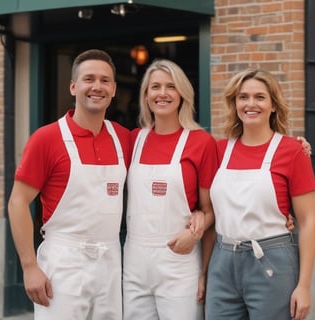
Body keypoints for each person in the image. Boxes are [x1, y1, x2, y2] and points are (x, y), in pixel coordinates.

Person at [8, 49, 130, 320]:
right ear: (73, 86)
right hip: (64, 262)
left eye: (105, 80)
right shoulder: (47, 138)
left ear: (113, 89)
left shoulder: (124, 138)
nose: (97, 86)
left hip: (110, 260)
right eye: (89, 79)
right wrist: (29, 266)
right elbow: (17, 202)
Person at [205, 69, 315, 320]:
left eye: (260, 97)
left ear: (274, 105)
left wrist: (304, 285)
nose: (250, 104)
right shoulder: (219, 150)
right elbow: (207, 207)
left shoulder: (293, 150)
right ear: (235, 104)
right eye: (243, 97)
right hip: (222, 261)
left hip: (271, 261)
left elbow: (308, 221)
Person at [122, 59, 217, 320]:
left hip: (180, 260)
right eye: (155, 87)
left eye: (170, 87)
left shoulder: (202, 143)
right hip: (135, 262)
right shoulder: (133, 139)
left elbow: (211, 212)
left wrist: (196, 242)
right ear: (146, 95)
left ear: (182, 94)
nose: (162, 93)